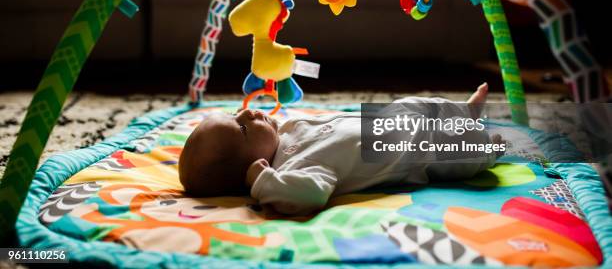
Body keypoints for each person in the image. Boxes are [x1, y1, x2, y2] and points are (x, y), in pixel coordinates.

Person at [179, 83, 503, 215]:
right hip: (410, 154)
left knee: (414, 104)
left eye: (237, 113)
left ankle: (466, 112)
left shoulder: (285, 132)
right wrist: (264, 183)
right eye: (242, 127)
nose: (246, 112)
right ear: (255, 163)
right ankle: (487, 150)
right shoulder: (292, 171)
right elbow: (311, 196)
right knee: (451, 154)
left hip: (387, 121)